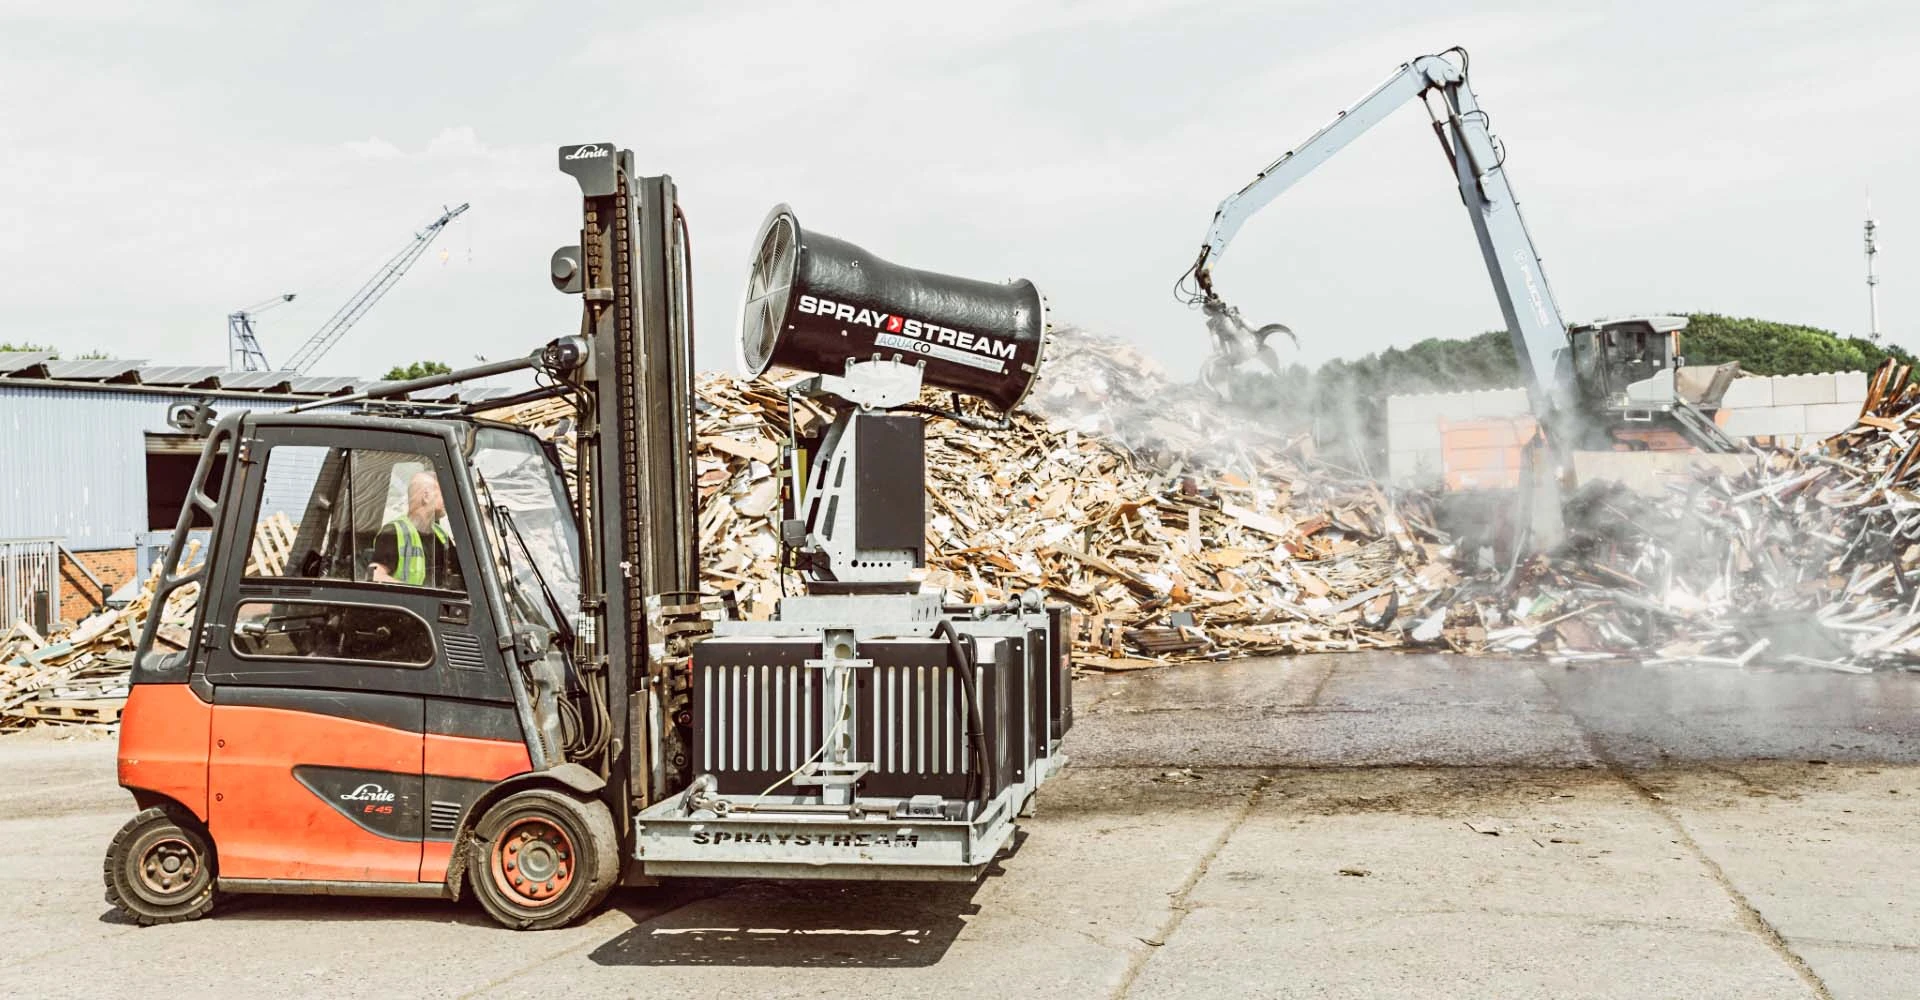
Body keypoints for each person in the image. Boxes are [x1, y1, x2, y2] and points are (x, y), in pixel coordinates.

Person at [370, 471, 461, 589]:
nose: (447, 500)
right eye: (442, 493)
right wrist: (418, 594)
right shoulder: (394, 533)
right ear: (426, 496)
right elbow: (375, 576)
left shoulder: (441, 535)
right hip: (409, 606)